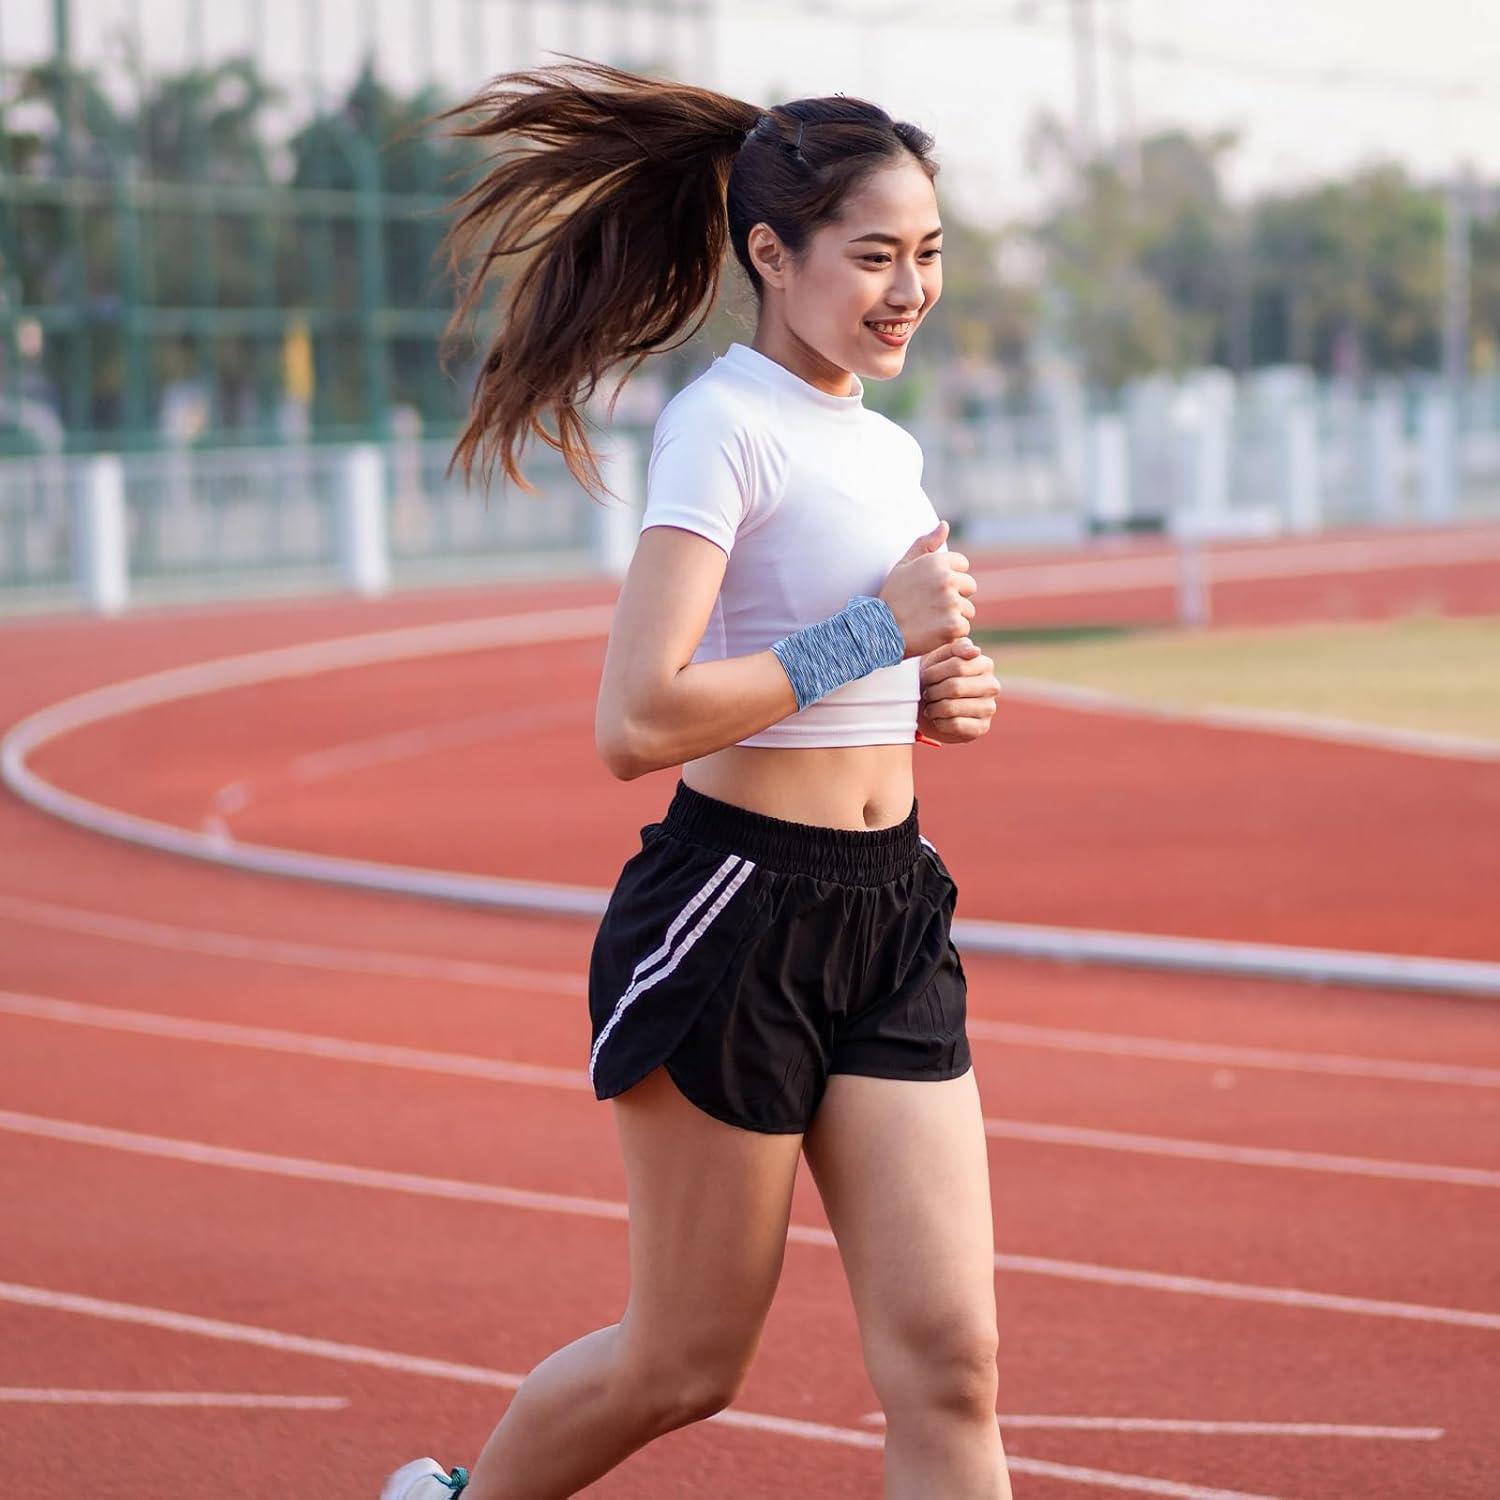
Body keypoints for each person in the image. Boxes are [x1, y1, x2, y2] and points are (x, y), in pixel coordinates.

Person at [384, 56, 1008, 1500]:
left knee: (952, 1358)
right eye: (874, 257)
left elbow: (843, 673)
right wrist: (874, 632)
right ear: (770, 255)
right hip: (736, 914)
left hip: (891, 912)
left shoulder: (888, 446)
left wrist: (929, 691)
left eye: (927, 256)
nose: (908, 288)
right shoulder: (719, 426)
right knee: (685, 1361)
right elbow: (638, 717)